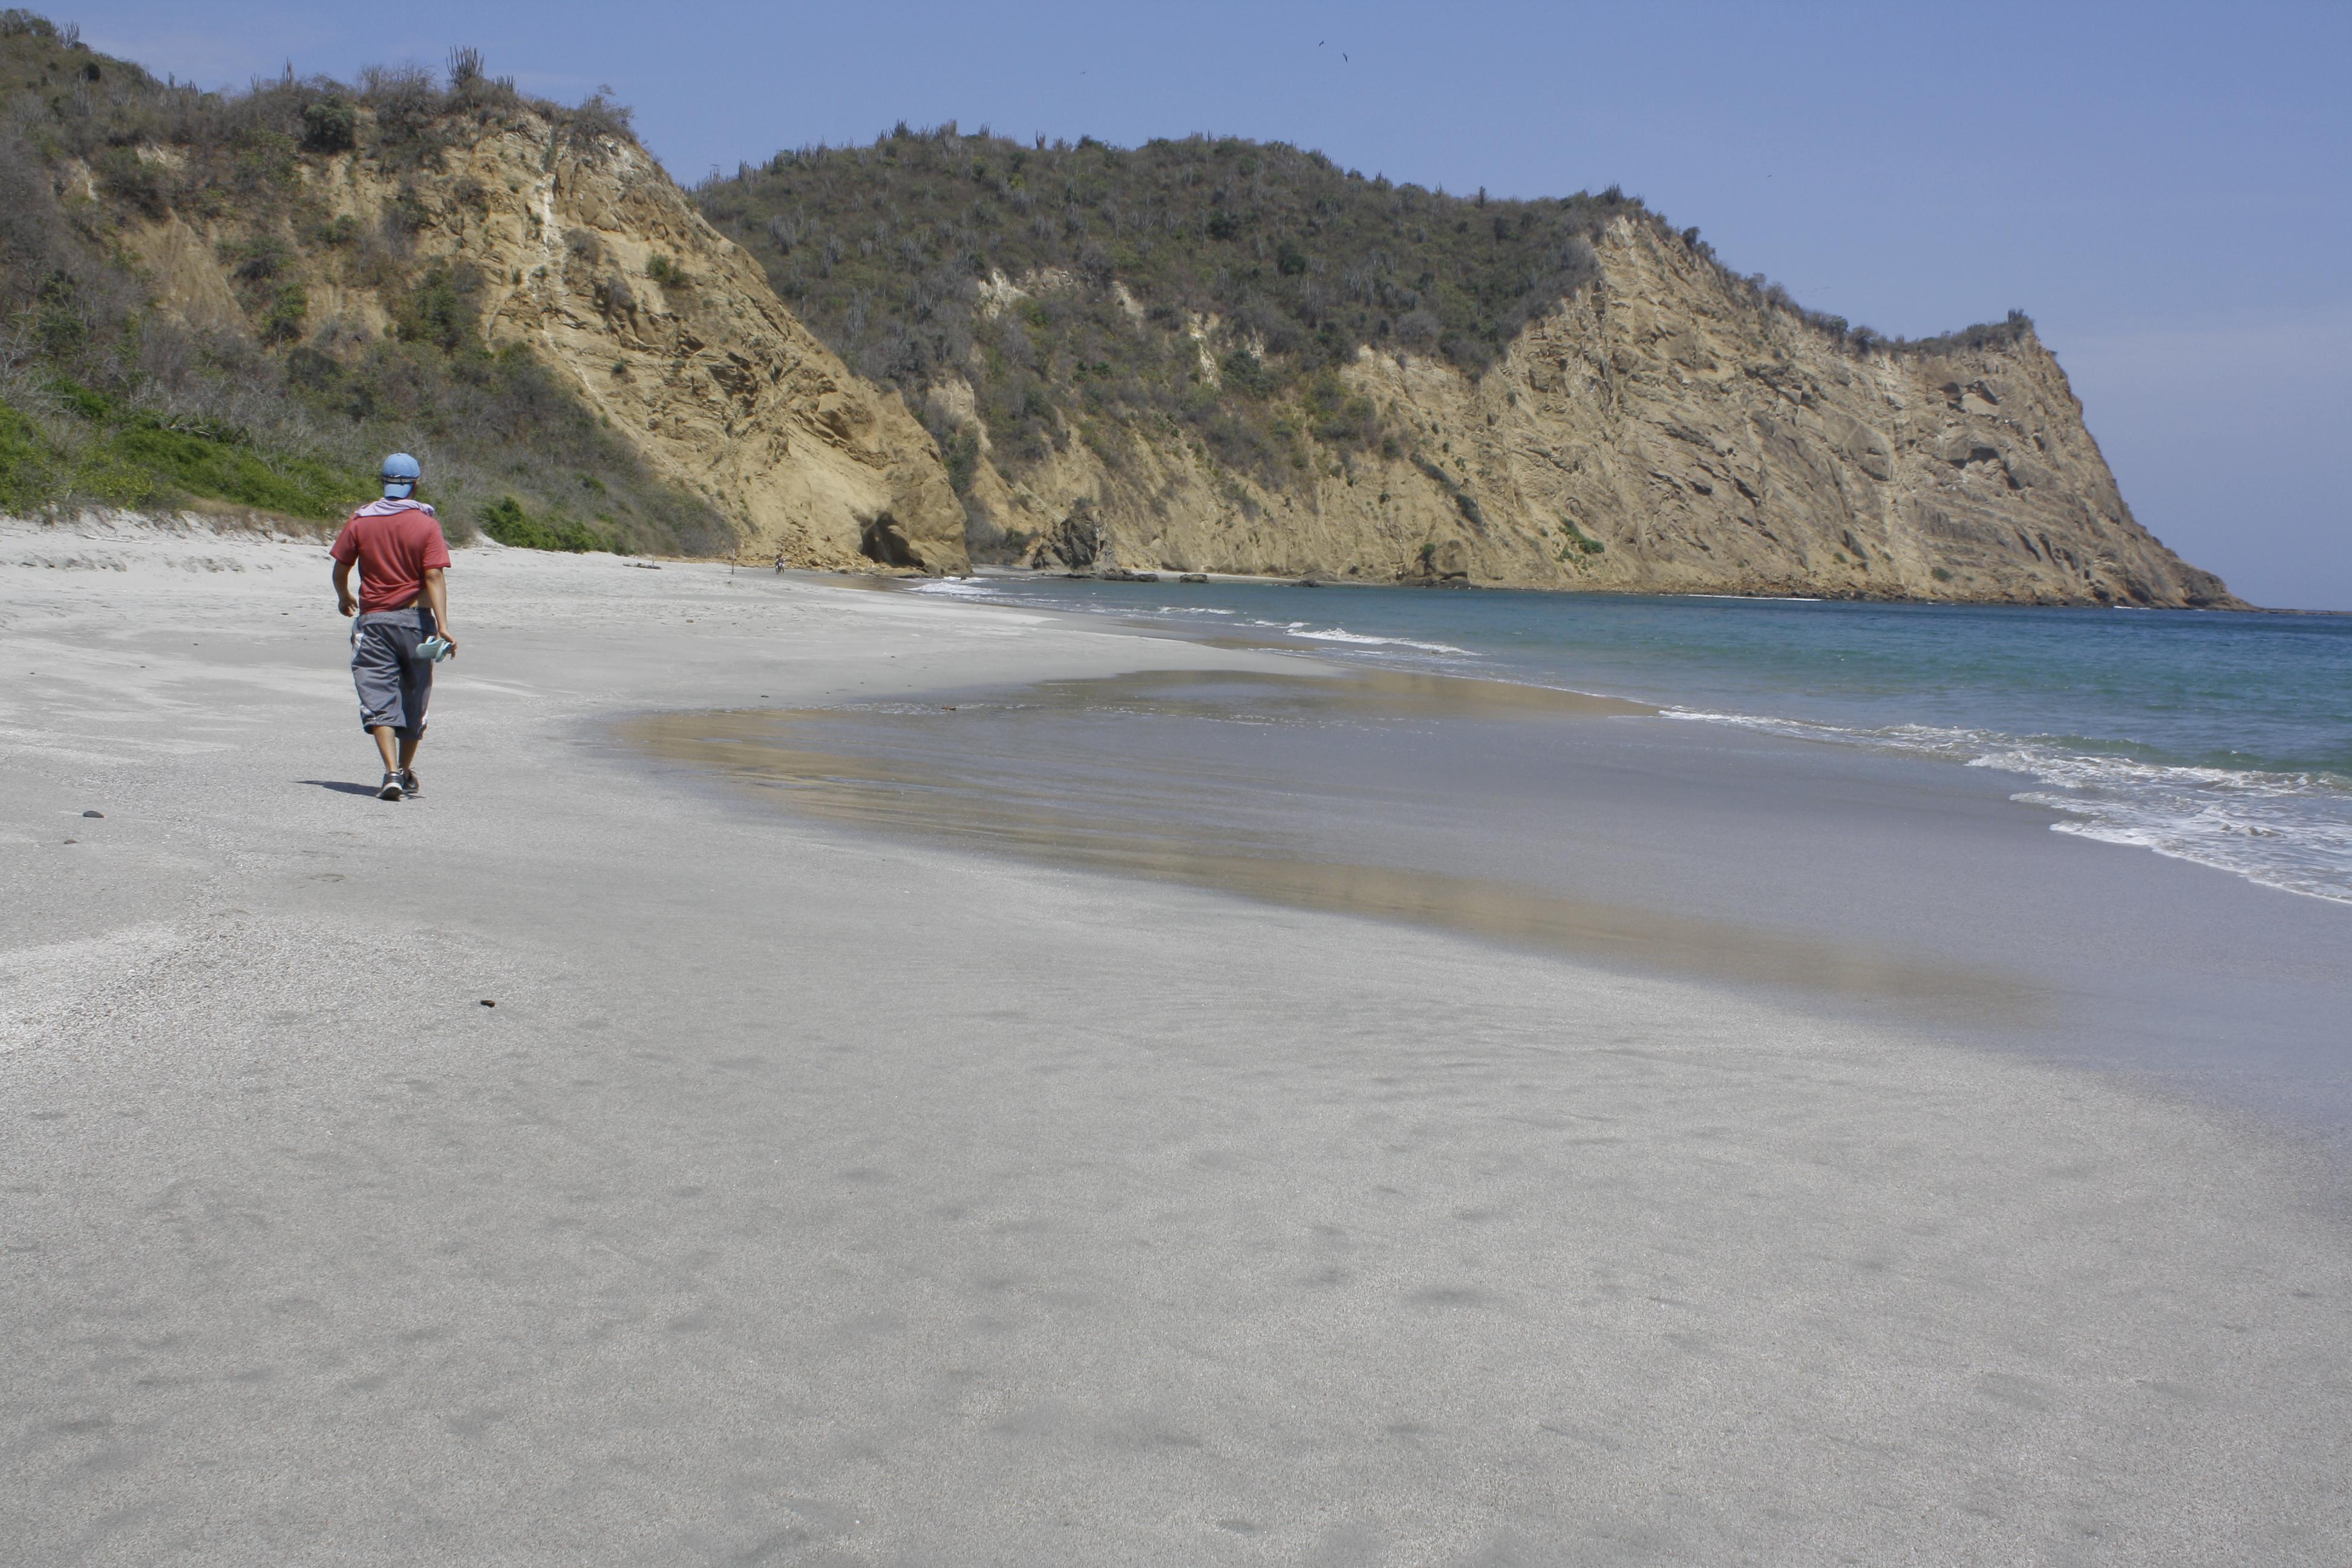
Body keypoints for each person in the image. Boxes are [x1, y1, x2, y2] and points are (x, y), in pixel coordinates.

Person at [330, 454, 458, 801]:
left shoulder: (360, 521)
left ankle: (390, 773)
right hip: (417, 623)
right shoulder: (427, 525)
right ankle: (404, 771)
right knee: (414, 696)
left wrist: (344, 597)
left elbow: (341, 568)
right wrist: (443, 626)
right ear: (416, 484)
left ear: (383, 482)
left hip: (373, 622)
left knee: (378, 695)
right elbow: (433, 575)